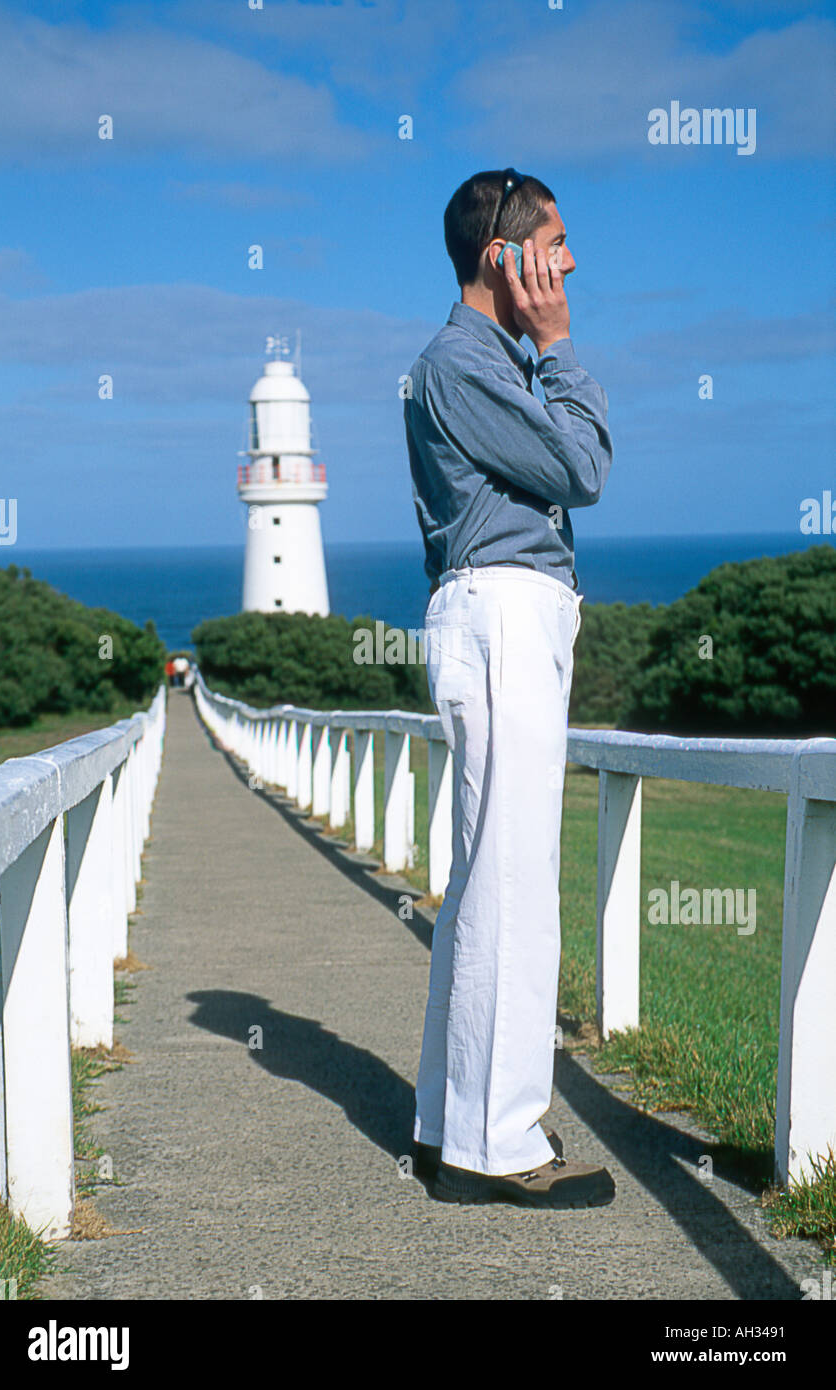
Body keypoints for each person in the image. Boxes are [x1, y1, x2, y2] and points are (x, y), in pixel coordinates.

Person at [404, 169, 615, 1209]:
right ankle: (501, 1144)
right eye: (557, 243)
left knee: (490, 876)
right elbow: (582, 468)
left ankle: (455, 1122)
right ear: (508, 255)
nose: (569, 263)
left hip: (495, 615)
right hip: (501, 616)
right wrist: (562, 346)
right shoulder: (464, 362)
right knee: (513, 883)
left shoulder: (476, 361)